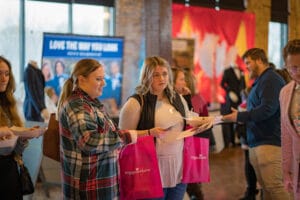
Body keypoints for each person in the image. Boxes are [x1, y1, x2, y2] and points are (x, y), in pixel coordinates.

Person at [57, 58, 166, 199]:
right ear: (82, 80)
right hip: (89, 188)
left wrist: (147, 133)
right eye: (98, 79)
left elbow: (110, 135)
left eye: (103, 78)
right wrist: (128, 136)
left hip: (99, 182)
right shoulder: (78, 105)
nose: (104, 83)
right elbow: (89, 141)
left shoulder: (89, 103)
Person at [119, 56, 212, 200]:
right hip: (150, 169)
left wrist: (199, 126)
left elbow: (187, 122)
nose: (161, 78)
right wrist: (149, 132)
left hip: (178, 167)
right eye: (156, 75)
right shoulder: (135, 103)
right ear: (146, 76)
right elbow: (122, 138)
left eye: (164, 74)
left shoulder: (177, 98)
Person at [222, 48, 290, 199]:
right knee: (267, 189)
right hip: (259, 142)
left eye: (248, 63)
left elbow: (267, 110)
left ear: (259, 60)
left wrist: (238, 116)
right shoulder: (262, 80)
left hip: (269, 143)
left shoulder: (270, 79)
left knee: (275, 188)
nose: (246, 67)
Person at [0, 56, 40, 200]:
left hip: (10, 168)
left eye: (7, 74)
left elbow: (17, 151)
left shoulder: (10, 104)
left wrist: (23, 138)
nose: (4, 79)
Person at [280, 39, 300, 200]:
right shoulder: (285, 92)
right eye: (293, 67)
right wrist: (286, 169)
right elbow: (286, 134)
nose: (298, 72)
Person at [221, 64, 246, 147]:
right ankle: (232, 141)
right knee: (232, 118)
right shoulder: (227, 71)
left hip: (241, 98)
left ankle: (240, 138)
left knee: (240, 117)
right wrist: (229, 92)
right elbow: (222, 84)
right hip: (232, 99)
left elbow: (243, 83)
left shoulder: (241, 70)